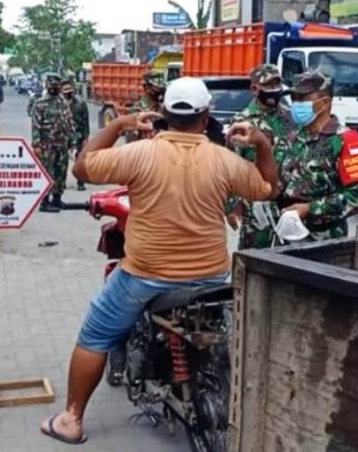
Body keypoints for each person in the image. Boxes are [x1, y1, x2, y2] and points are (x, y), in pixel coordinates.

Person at [40, 77, 278, 445]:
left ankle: (71, 419)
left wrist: (118, 124)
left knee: (95, 334)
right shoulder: (224, 159)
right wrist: (261, 143)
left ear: (163, 114)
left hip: (145, 276)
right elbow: (267, 188)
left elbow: (82, 169)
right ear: (206, 116)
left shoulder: (139, 153)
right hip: (212, 277)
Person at [278, 71, 358, 241]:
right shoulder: (293, 137)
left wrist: (309, 209)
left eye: (303, 99)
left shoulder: (346, 140)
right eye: (294, 99)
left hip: (324, 238)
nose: (296, 105)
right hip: (288, 232)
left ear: (325, 102)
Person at [226, 63, 290, 249]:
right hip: (256, 204)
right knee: (254, 256)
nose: (274, 90)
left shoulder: (289, 118)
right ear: (254, 89)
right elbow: (231, 166)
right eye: (268, 85)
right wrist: (230, 206)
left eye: (277, 85)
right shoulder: (242, 122)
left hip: (286, 201)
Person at [31, 74, 76, 212]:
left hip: (62, 144)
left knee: (61, 172)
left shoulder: (62, 102)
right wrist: (37, 144)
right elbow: (36, 125)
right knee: (47, 173)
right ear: (47, 86)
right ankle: (44, 202)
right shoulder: (40, 103)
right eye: (52, 86)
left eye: (56, 86)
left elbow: (69, 121)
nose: (54, 89)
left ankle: (57, 199)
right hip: (47, 145)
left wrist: (72, 140)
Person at [61, 78, 90, 191]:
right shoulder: (59, 103)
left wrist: (86, 137)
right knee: (62, 161)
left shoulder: (81, 103)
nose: (67, 92)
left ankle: (80, 182)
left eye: (69, 89)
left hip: (78, 135)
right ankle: (61, 182)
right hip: (63, 136)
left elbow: (85, 121)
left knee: (80, 160)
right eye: (65, 90)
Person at [126, 69, 167, 141]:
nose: (161, 92)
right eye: (157, 88)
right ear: (147, 88)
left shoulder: (163, 108)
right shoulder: (137, 110)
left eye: (162, 89)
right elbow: (131, 141)